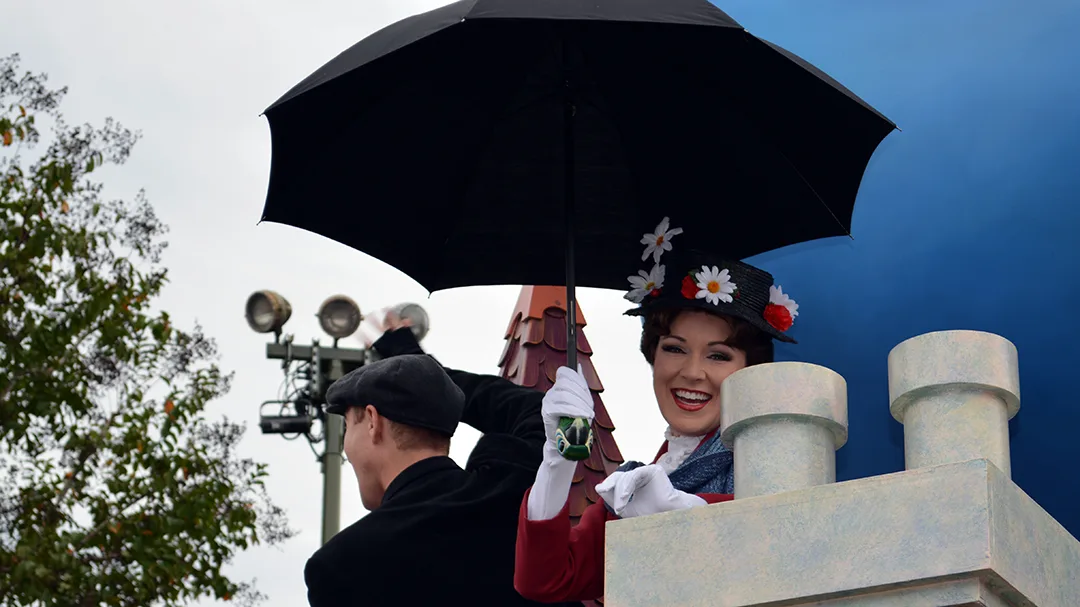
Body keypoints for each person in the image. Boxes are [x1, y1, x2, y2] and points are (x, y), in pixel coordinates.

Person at [513, 216, 801, 603]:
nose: (692, 373)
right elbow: (545, 581)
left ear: (749, 371)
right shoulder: (637, 485)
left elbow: (784, 534)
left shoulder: (769, 456)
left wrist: (688, 511)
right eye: (674, 348)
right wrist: (558, 460)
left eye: (718, 355)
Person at [303, 320, 583, 607]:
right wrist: (429, 379)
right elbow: (535, 410)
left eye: (349, 425)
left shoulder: (340, 568)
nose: (346, 446)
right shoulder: (514, 487)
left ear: (373, 422)